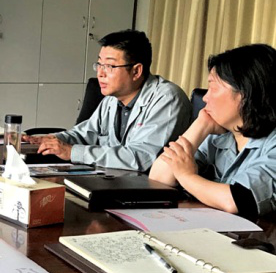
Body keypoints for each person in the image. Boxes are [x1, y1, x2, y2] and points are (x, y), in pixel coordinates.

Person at [26, 30, 191, 172]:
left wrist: (72, 152)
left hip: (150, 189)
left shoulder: (167, 99)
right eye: (99, 64)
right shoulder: (112, 99)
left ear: (136, 71)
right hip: (114, 178)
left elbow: (141, 158)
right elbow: (85, 134)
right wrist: (47, 140)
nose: (100, 73)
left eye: (110, 66)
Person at [150, 44, 276, 217]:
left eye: (213, 88)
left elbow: (237, 201)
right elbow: (158, 179)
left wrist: (187, 176)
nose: (205, 97)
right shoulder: (218, 135)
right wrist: (200, 126)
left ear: (246, 93)